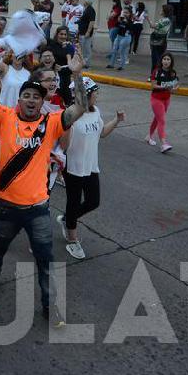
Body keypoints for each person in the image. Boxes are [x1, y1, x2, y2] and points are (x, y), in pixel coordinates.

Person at [0, 46, 90, 325]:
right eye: (26, 95)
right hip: (6, 205)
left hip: (37, 208)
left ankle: (49, 307)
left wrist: (78, 75)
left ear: (42, 100)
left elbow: (81, 107)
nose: (31, 100)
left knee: (45, 261)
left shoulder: (52, 123)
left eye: (37, 96)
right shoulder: (5, 117)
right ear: (19, 100)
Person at [58, 77, 125, 259]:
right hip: (73, 167)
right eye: (95, 93)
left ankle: (67, 219)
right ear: (85, 96)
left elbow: (102, 133)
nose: (97, 96)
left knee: (93, 201)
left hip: (91, 165)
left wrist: (116, 121)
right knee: (73, 201)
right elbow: (62, 145)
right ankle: (72, 239)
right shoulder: (70, 116)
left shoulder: (95, 112)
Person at [148, 53, 179, 153]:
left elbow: (176, 85)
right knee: (162, 120)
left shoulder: (173, 73)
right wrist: (165, 87)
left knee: (157, 119)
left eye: (168, 59)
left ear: (171, 62)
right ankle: (164, 143)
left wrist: (174, 89)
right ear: (161, 61)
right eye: (164, 59)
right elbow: (153, 86)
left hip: (166, 99)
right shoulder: (157, 71)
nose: (166, 61)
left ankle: (149, 136)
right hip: (156, 99)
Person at [148, 4, 173, 71]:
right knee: (156, 58)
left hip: (160, 40)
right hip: (157, 39)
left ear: (165, 11)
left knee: (157, 58)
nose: (160, 10)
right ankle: (154, 74)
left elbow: (154, 26)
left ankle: (156, 74)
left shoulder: (166, 20)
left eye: (162, 9)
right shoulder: (163, 19)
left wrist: (147, 18)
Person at [76, 0, 97, 68]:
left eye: (84, 1)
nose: (83, 2)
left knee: (86, 48)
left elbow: (92, 22)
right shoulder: (86, 9)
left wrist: (88, 32)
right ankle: (83, 62)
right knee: (83, 48)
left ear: (87, 2)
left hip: (86, 33)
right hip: (82, 32)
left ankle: (86, 64)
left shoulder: (91, 10)